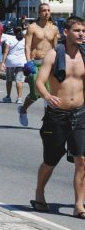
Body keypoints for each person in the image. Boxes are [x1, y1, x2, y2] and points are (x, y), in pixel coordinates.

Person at [30, 16, 85, 218]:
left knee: (82, 160)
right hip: (57, 115)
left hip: (80, 114)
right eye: (77, 30)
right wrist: (47, 95)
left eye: (83, 31)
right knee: (51, 159)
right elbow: (39, 81)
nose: (81, 34)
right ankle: (39, 192)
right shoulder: (54, 55)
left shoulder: (84, 56)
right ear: (66, 32)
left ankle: (79, 205)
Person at [19, 4, 59, 126]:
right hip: (35, 63)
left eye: (48, 10)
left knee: (49, 93)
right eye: (44, 11)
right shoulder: (32, 27)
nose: (46, 13)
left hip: (49, 64)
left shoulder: (54, 29)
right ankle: (23, 109)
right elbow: (27, 45)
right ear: (39, 13)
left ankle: (47, 121)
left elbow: (56, 48)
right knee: (35, 94)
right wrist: (28, 61)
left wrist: (59, 63)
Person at [2, 26, 26, 104]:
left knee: (9, 80)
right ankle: (19, 98)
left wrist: (3, 62)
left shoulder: (9, 40)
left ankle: (8, 96)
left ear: (13, 32)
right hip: (21, 62)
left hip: (10, 62)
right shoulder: (25, 40)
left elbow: (6, 51)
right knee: (19, 81)